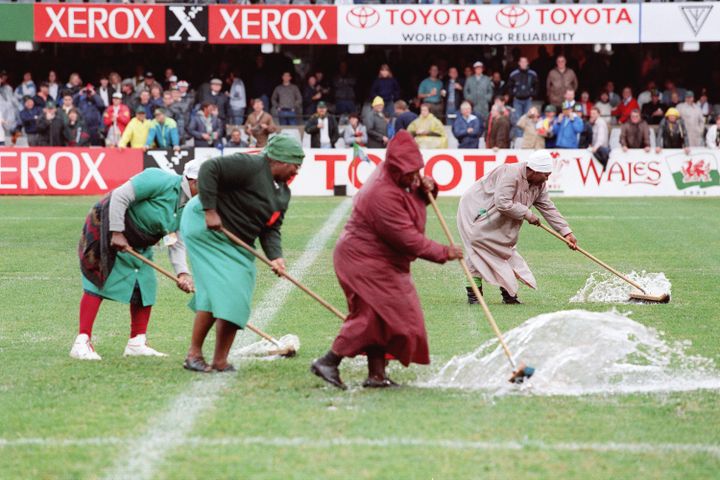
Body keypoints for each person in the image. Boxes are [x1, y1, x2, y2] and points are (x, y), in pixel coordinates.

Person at [310, 131, 463, 389]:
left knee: (384, 317)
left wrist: (428, 188)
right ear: (394, 167)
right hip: (362, 259)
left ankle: (377, 375)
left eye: (418, 170)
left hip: (379, 259)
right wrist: (443, 252)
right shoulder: (381, 193)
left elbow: (412, 201)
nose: (415, 176)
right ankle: (329, 361)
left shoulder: (400, 177)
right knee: (371, 315)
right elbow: (406, 238)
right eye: (410, 172)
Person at [181, 135, 304, 373]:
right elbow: (209, 169)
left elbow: (271, 228)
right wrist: (210, 210)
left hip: (236, 240)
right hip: (205, 227)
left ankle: (218, 360)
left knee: (225, 295)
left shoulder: (282, 194)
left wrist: (275, 256)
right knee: (229, 291)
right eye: (294, 164)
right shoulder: (252, 165)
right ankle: (195, 355)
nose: (296, 169)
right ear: (277, 160)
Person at [71, 161, 199, 360]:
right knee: (99, 278)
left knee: (145, 283)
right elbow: (120, 196)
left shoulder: (190, 205)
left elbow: (175, 239)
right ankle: (81, 342)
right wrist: (116, 232)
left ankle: (137, 342)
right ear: (194, 181)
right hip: (107, 226)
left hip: (140, 241)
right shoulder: (158, 179)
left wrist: (183, 272)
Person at [457, 150, 577, 305]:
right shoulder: (510, 173)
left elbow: (548, 208)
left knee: (505, 250)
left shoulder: (539, 184)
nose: (547, 178)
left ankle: (509, 295)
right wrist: (528, 214)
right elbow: (502, 202)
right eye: (545, 174)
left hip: (501, 215)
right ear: (534, 171)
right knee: (478, 248)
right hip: (479, 211)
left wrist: (566, 232)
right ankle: (474, 295)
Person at [507, 57, 538, 133]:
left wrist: (532, 95)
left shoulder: (533, 74)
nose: (523, 63)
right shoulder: (514, 74)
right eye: (522, 62)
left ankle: (527, 137)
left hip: (528, 99)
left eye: (525, 62)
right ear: (519, 63)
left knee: (529, 118)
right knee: (518, 119)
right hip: (517, 100)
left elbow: (536, 86)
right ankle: (519, 139)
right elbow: (509, 86)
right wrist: (513, 95)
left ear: (527, 63)